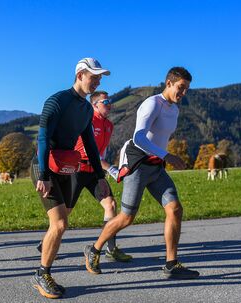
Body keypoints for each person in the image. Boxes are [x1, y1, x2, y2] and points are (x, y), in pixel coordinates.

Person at [83, 67, 200, 279]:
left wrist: (163, 156)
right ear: (168, 83)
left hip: (155, 165)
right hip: (137, 163)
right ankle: (95, 248)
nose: (183, 93)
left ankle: (171, 264)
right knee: (127, 217)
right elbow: (139, 138)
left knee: (175, 209)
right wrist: (168, 156)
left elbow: (158, 138)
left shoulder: (174, 109)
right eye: (181, 88)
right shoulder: (152, 103)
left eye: (187, 89)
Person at [31, 58, 111, 299]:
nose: (97, 81)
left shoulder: (87, 109)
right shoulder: (57, 101)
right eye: (93, 76)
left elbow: (90, 145)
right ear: (79, 76)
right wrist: (43, 175)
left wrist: (100, 177)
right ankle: (42, 274)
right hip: (44, 166)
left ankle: (43, 266)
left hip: (66, 168)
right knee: (60, 224)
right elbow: (42, 139)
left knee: (60, 223)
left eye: (99, 78)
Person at [35, 91, 132, 262]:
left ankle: (110, 249)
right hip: (77, 169)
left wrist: (103, 171)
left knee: (110, 204)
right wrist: (110, 168)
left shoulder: (109, 125)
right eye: (105, 101)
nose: (109, 105)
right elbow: (86, 150)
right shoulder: (87, 119)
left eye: (111, 101)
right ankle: (46, 243)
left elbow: (99, 152)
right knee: (65, 212)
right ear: (94, 105)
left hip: (94, 171)